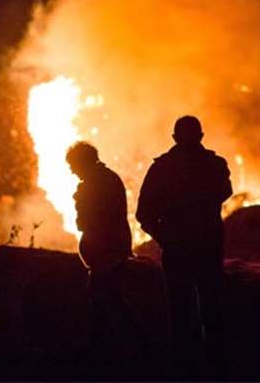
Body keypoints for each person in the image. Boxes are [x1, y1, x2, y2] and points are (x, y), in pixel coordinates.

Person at [136, 116, 233, 379]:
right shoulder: (214, 164)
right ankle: (215, 365)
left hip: (179, 248)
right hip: (206, 246)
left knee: (180, 308)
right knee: (210, 305)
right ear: (201, 136)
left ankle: (185, 366)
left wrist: (165, 236)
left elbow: (143, 213)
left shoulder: (162, 168)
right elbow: (225, 192)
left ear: (174, 138)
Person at [66, 141, 145, 362]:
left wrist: (80, 202)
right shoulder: (107, 178)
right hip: (110, 248)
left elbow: (90, 220)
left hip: (106, 250)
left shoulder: (96, 184)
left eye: (73, 165)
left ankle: (111, 348)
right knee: (108, 297)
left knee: (104, 297)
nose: (72, 171)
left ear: (83, 162)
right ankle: (111, 345)